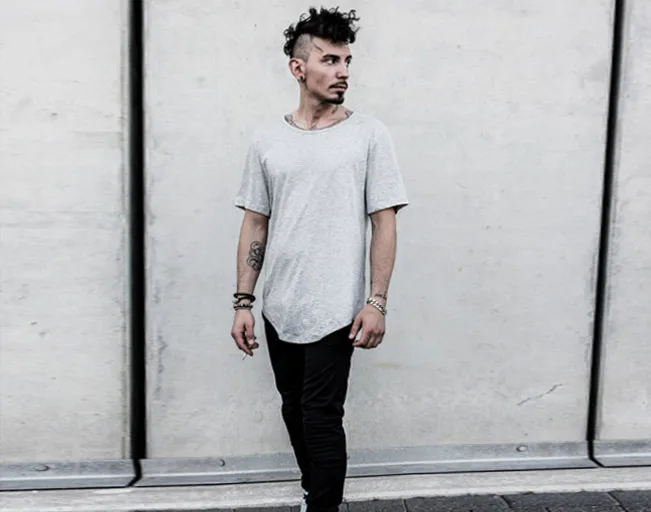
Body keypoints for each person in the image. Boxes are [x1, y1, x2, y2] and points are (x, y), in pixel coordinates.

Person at [231, 6, 408, 512]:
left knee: (321, 414)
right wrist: (243, 302)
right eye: (330, 60)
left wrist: (377, 301)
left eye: (346, 61)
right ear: (298, 67)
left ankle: (324, 506)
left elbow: (384, 221)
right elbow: (255, 223)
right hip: (279, 307)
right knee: (293, 409)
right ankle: (315, 493)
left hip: (337, 308)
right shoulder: (268, 139)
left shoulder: (368, 135)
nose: (343, 71)